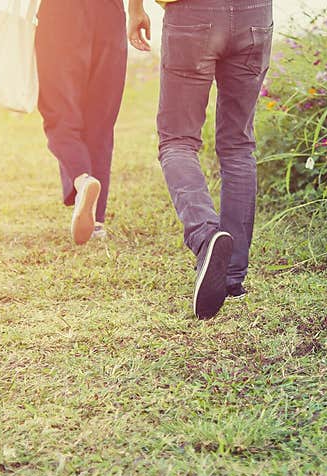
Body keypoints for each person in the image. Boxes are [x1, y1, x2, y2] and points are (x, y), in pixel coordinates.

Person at [127, 0, 274, 320]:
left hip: (192, 13)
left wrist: (134, 8)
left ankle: (206, 237)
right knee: (238, 144)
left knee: (177, 140)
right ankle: (232, 275)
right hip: (255, 13)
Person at [35, 0, 128, 245]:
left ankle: (82, 179)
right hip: (110, 13)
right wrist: (138, 9)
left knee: (59, 114)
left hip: (61, 13)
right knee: (101, 121)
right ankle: (96, 223)